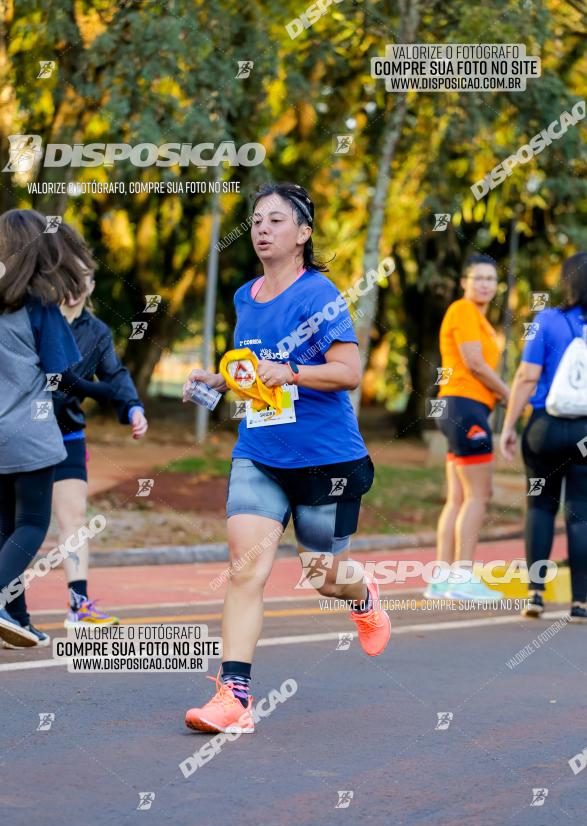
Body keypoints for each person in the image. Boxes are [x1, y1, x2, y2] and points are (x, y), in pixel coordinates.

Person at [182, 182, 389, 734]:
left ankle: (363, 593)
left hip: (326, 460)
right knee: (245, 569)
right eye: (255, 220)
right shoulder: (244, 297)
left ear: (303, 234)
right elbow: (254, 374)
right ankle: (235, 695)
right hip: (261, 451)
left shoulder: (319, 295)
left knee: (322, 576)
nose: (262, 228)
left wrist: (293, 372)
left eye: (276, 220)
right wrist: (219, 382)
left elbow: (349, 373)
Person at [50, 222, 148, 629]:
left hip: (68, 433)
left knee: (73, 517)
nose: (75, 285)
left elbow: (116, 374)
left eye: (83, 277)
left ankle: (79, 605)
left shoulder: (98, 332)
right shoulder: (37, 320)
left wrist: (133, 408)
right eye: (68, 276)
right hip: (21, 433)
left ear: (91, 283)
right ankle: (12, 608)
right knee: (17, 522)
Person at [0, 209, 82, 648]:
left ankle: (18, 620)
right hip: (28, 434)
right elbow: (64, 374)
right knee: (31, 523)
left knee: (4, 529)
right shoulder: (38, 306)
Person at [500, 253, 587, 622]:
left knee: (539, 507)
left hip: (543, 429)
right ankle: (581, 603)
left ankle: (535, 595)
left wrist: (507, 426)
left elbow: (525, 377)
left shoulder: (546, 319)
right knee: (582, 515)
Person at [426, 254, 510, 602]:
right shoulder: (462, 310)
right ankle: (462, 577)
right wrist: (509, 396)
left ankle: (442, 579)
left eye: (491, 278)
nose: (485, 284)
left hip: (457, 406)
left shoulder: (477, 316)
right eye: (478, 277)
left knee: (459, 497)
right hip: (465, 406)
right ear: (464, 281)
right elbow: (474, 363)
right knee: (480, 495)